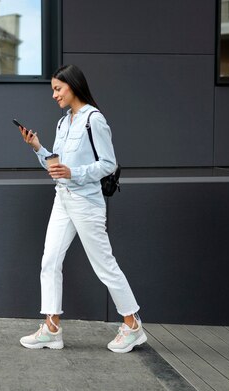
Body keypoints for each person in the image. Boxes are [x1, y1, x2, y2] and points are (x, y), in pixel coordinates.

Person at [18, 64, 146, 353]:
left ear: (73, 86)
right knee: (49, 260)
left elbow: (108, 164)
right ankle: (51, 328)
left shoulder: (93, 119)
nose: (54, 95)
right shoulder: (64, 123)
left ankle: (132, 324)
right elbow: (57, 166)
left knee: (104, 266)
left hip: (86, 203)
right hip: (62, 199)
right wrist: (38, 148)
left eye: (58, 89)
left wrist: (73, 173)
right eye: (53, 90)